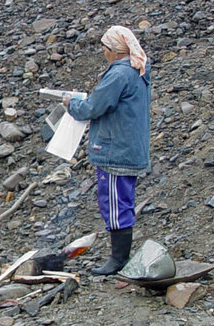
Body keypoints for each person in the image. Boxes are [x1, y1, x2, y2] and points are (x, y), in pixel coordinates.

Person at [64, 26, 151, 275]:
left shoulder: (119, 75)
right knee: (123, 201)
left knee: (114, 203)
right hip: (131, 147)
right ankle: (119, 257)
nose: (102, 52)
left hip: (115, 151)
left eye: (104, 48)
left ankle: (118, 260)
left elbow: (93, 107)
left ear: (113, 51)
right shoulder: (139, 68)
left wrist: (72, 104)